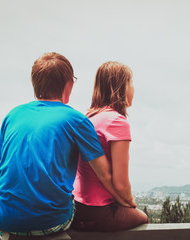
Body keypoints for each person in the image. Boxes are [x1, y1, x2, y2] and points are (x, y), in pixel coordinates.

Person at [0, 52, 120, 237]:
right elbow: (105, 176)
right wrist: (125, 203)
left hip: (5, 219)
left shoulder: (13, 115)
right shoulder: (76, 120)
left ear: (35, 84)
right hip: (51, 221)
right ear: (69, 83)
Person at [72, 61, 148, 232]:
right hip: (100, 209)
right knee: (143, 219)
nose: (133, 88)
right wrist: (131, 203)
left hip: (77, 206)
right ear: (121, 87)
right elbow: (121, 183)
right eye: (131, 82)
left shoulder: (89, 117)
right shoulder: (117, 121)